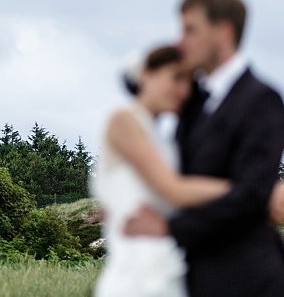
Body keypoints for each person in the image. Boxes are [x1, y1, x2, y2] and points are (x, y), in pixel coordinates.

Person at [123, 0, 284, 297]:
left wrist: (169, 228)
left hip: (248, 279)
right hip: (194, 276)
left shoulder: (262, 100)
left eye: (190, 30)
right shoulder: (192, 104)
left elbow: (251, 195)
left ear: (224, 32)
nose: (180, 41)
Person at [94, 44, 231, 297]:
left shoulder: (166, 140)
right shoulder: (123, 121)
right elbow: (172, 189)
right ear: (146, 74)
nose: (183, 89)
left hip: (168, 270)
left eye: (189, 81)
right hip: (133, 277)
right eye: (176, 77)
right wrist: (251, 189)